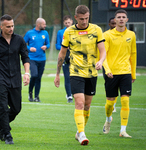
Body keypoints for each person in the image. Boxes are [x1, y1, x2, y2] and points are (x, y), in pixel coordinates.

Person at [54, 5, 106, 145]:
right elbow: (62, 53)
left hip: (92, 72)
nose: (84, 21)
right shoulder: (69, 32)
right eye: (81, 19)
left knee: (87, 106)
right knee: (79, 103)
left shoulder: (97, 30)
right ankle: (82, 134)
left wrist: (101, 61)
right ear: (76, 18)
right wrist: (57, 74)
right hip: (75, 72)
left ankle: (79, 131)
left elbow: (102, 50)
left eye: (87, 18)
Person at [0, 14, 30, 144]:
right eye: (8, 26)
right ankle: (7, 135)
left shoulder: (19, 40)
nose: (11, 28)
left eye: (12, 26)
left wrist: (27, 73)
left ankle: (1, 124)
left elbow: (25, 57)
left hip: (15, 79)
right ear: (1, 27)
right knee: (2, 106)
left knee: (16, 108)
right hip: (0, 79)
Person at [102, 9, 136, 138]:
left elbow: (133, 54)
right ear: (114, 20)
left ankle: (123, 131)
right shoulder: (107, 35)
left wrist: (133, 73)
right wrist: (107, 70)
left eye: (123, 17)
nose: (121, 19)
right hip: (111, 73)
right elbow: (103, 55)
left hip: (125, 72)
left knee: (125, 100)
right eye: (119, 17)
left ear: (127, 20)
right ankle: (108, 119)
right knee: (110, 103)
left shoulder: (131, 35)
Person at [24, 18, 50, 102]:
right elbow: (23, 44)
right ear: (38, 25)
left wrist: (46, 46)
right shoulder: (29, 33)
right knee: (34, 75)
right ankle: (30, 93)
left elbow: (48, 44)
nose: (45, 26)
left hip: (42, 59)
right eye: (44, 24)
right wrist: (29, 48)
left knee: (39, 78)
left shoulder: (45, 33)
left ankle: (36, 96)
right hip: (32, 58)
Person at [56, 15, 73, 103]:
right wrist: (65, 47)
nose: (67, 24)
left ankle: (75, 93)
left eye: (69, 22)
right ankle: (69, 96)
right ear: (64, 23)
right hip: (65, 56)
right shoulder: (60, 32)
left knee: (75, 77)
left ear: (72, 22)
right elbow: (57, 45)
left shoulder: (75, 31)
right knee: (67, 77)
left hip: (75, 57)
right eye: (66, 23)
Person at [103, 17, 117, 113]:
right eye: (112, 23)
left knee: (118, 86)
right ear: (109, 24)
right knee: (110, 86)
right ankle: (110, 103)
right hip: (107, 65)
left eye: (115, 23)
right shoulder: (105, 35)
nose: (114, 25)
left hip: (119, 66)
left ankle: (114, 105)